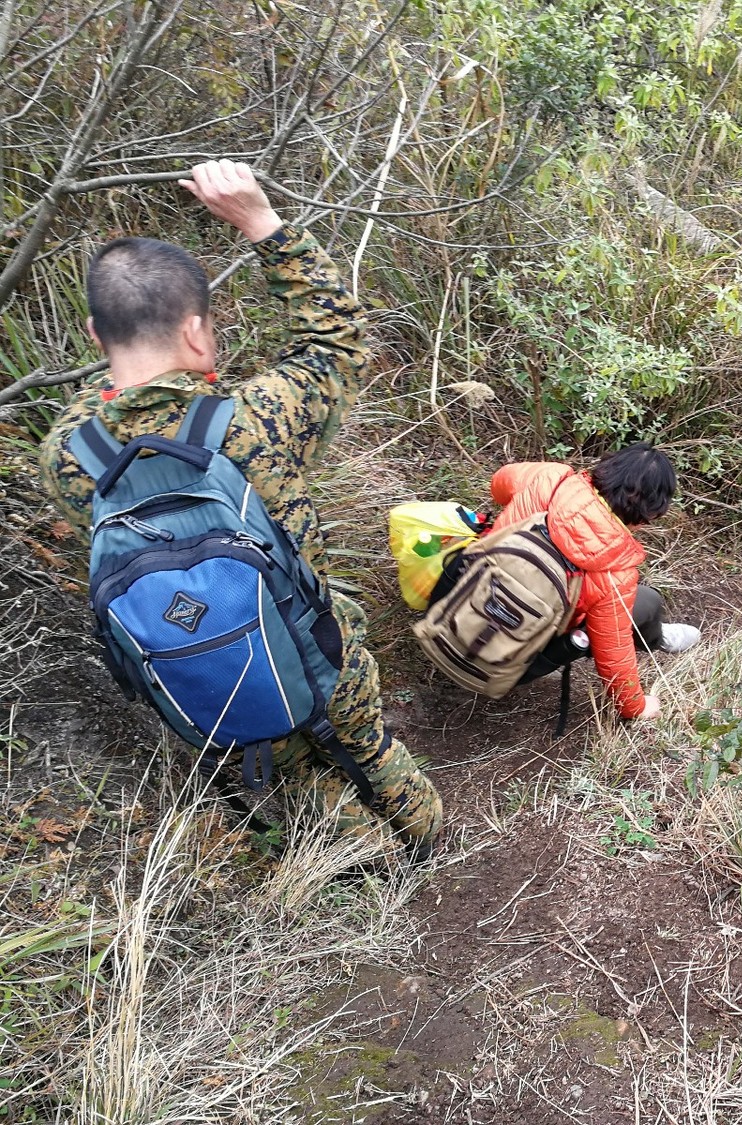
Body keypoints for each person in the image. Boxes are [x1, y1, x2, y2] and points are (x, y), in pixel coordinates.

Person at [37, 159, 442, 857]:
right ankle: (425, 837)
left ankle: (357, 859)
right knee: (362, 744)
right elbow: (336, 337)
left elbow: (102, 411)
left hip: (202, 674)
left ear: (96, 336)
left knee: (290, 767)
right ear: (196, 331)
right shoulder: (256, 419)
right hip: (318, 650)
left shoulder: (69, 455)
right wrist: (261, 222)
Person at [481, 444, 701, 721]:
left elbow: (499, 483)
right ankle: (655, 638)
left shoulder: (550, 478)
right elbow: (614, 653)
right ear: (648, 514)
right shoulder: (615, 571)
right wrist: (636, 707)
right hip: (504, 667)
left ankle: (654, 635)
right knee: (645, 601)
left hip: (454, 612)